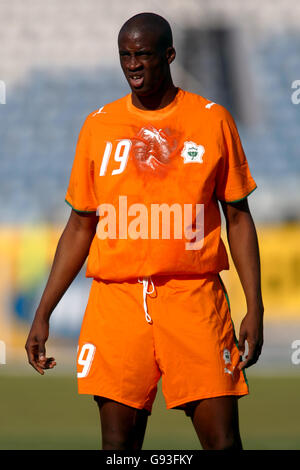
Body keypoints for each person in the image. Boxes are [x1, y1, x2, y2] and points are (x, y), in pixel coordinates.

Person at [25, 12, 264, 450]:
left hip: (193, 299)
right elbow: (80, 226)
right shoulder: (99, 126)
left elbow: (238, 218)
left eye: (142, 55)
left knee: (223, 442)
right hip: (117, 304)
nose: (132, 65)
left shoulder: (212, 121)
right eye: (125, 56)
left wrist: (255, 306)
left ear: (169, 55)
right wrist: (44, 311)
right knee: (119, 448)